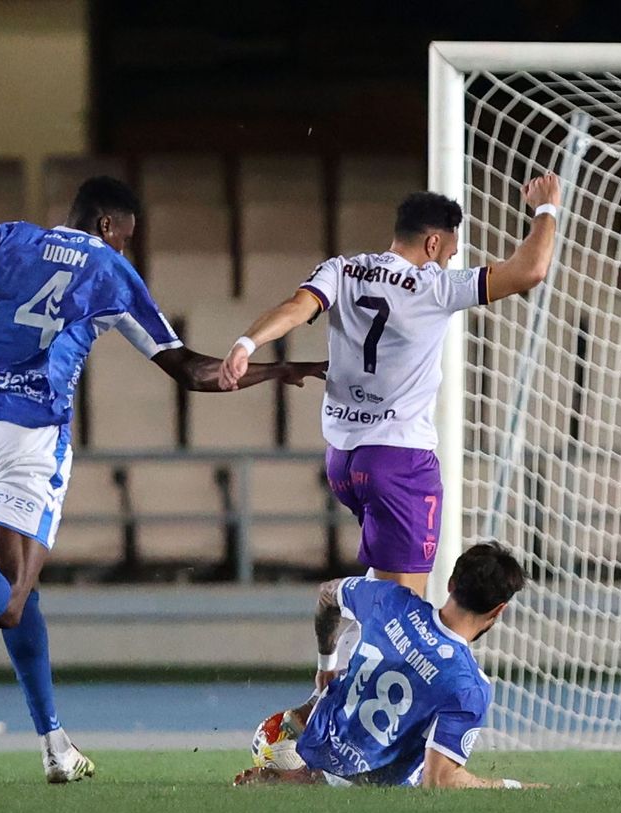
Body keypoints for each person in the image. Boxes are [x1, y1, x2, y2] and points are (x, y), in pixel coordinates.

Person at [0, 176, 325, 783]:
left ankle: (55, 745)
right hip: (29, 438)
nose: (126, 251)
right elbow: (193, 372)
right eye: (127, 239)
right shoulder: (111, 272)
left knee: (19, 595)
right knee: (10, 599)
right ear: (109, 227)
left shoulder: (4, 237)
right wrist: (277, 370)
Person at [216, 175, 562, 602]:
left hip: (343, 463)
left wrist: (246, 344)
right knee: (404, 608)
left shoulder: (341, 269)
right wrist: (546, 209)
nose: (449, 263)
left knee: (385, 588)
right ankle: (346, 626)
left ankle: (345, 631)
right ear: (433, 245)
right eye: (450, 254)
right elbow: (531, 270)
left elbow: (295, 308)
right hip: (399, 461)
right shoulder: (435, 287)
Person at [234, 541, 539, 789]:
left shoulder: (392, 599)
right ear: (499, 609)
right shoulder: (468, 686)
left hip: (312, 741)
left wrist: (326, 662)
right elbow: (440, 781)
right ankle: (316, 782)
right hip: (361, 786)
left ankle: (295, 769)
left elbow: (327, 594)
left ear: (450, 583)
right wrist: (512, 786)